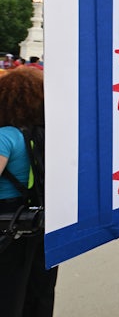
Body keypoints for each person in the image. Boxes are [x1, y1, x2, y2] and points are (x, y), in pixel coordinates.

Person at [0, 68, 57, 317]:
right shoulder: (51, 135)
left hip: (7, 225)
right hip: (43, 222)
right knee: (39, 289)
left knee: (7, 293)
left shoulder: (6, 137)